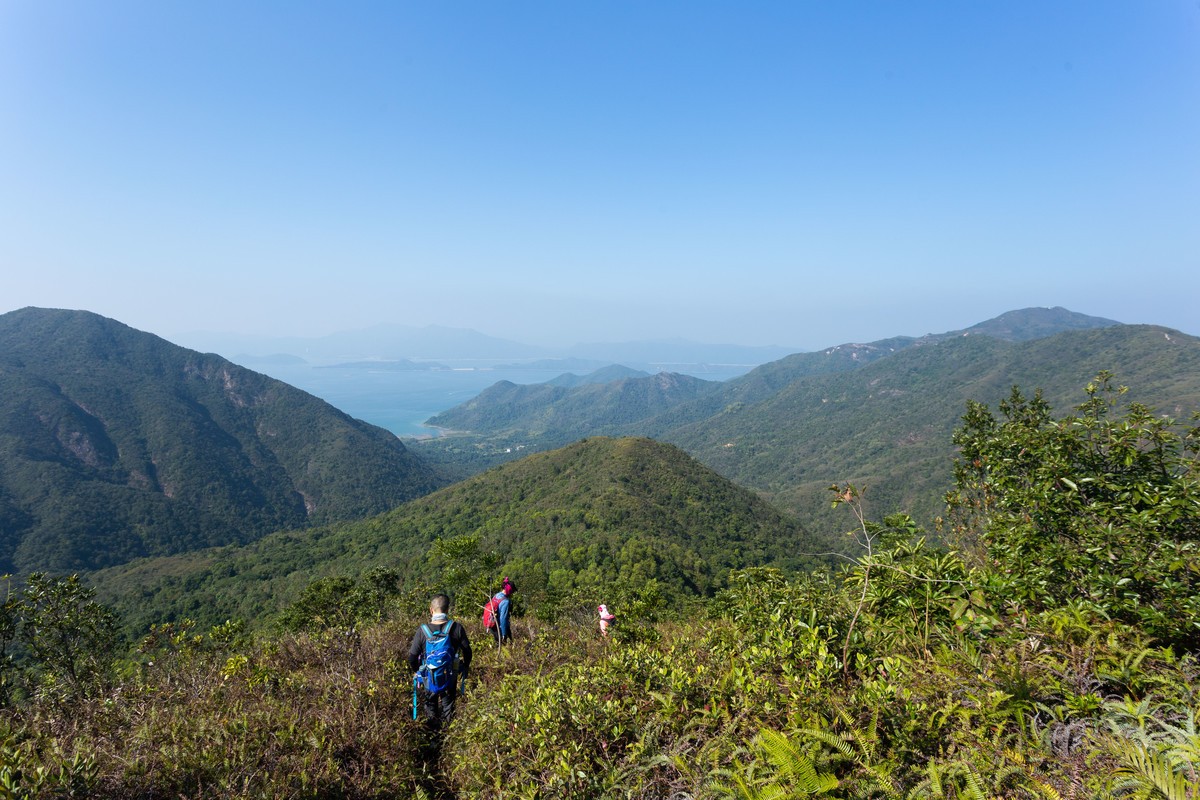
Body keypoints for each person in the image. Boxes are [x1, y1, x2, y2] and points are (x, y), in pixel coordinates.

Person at [407, 593, 471, 728]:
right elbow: (467, 651)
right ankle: (447, 737)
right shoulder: (456, 627)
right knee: (448, 705)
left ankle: (433, 737)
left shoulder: (422, 631)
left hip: (428, 677)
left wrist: (417, 671)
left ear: (431, 610)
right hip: (450, 675)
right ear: (447, 610)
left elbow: (412, 657)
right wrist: (465, 666)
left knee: (430, 706)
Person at [484, 577, 515, 645]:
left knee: (498, 644)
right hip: (498, 627)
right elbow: (503, 619)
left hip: (491, 624)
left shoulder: (497, 595)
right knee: (504, 646)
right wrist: (504, 634)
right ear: (510, 591)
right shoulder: (505, 601)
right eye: (512, 592)